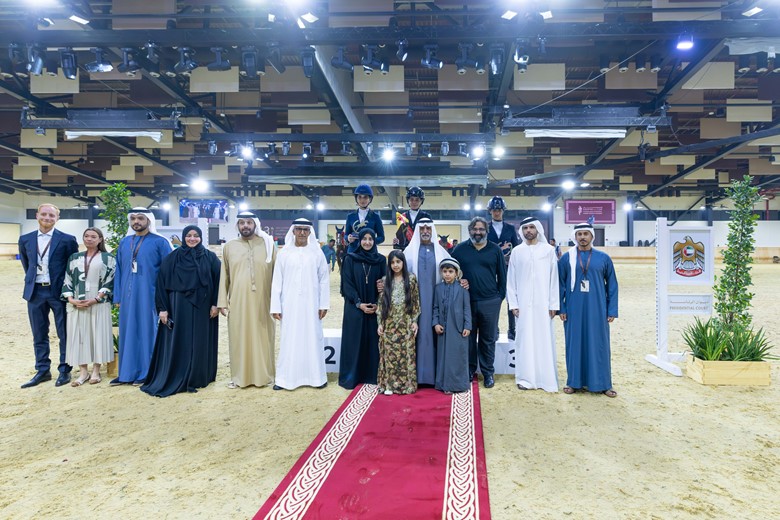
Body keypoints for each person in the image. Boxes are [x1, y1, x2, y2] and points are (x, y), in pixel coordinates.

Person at [141, 226, 221, 397]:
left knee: (200, 340)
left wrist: (216, 304)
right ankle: (178, 374)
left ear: (201, 238)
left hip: (203, 308)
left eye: (196, 236)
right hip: (178, 307)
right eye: (189, 236)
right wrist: (162, 309)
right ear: (184, 237)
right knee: (180, 340)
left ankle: (199, 376)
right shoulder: (172, 258)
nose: (192, 239)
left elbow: (219, 282)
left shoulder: (210, 258)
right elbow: (161, 284)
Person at [19, 203, 79, 388]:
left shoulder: (68, 240)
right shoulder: (25, 239)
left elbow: (73, 267)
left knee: (64, 333)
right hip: (35, 292)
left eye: (51, 215)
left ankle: (64, 369)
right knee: (39, 332)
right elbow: (26, 263)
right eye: (44, 214)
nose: (47, 218)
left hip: (58, 292)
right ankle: (43, 370)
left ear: (57, 218)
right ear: (37, 216)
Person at [112, 208, 172, 386]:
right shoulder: (124, 243)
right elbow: (119, 270)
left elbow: (167, 273)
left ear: (149, 220)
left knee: (147, 333)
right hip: (127, 297)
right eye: (133, 218)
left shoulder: (160, 243)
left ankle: (147, 372)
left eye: (140, 218)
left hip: (150, 296)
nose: (136, 221)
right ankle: (126, 373)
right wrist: (118, 297)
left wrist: (165, 300)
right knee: (127, 333)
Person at [558, 222, 619, 398]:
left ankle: (603, 383)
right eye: (579, 234)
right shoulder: (567, 259)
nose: (582, 237)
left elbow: (612, 285)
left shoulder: (603, 258)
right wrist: (561, 307)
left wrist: (611, 310)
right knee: (574, 344)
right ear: (575, 237)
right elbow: (559, 285)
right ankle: (574, 382)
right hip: (573, 309)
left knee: (599, 344)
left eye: (586, 234)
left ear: (592, 236)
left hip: (598, 308)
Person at [217, 211, 277, 389]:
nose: (245, 226)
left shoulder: (268, 245)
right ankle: (239, 377)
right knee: (239, 338)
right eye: (242, 223)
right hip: (238, 301)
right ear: (237, 225)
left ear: (255, 224)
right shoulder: (229, 246)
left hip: (263, 302)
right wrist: (222, 301)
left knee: (263, 338)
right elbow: (224, 275)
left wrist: (278, 302)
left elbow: (277, 276)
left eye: (249, 222)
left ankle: (264, 377)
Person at [271, 218, 330, 391]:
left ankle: (317, 378)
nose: (302, 233)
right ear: (293, 231)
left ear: (310, 232)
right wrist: (275, 306)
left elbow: (324, 280)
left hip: (312, 305)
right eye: (299, 229)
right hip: (288, 304)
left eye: (305, 229)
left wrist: (323, 304)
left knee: (313, 338)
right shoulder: (284, 253)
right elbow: (277, 282)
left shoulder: (317, 253)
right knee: (289, 339)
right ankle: (284, 380)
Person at [451, 216, 506, 389]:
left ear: (486, 231)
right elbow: (451, 271)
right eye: (475, 229)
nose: (478, 232)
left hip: (490, 301)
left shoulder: (495, 250)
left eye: (481, 229)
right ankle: (469, 370)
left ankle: (488, 372)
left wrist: (500, 297)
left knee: (488, 339)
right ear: (470, 230)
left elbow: (502, 276)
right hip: (466, 301)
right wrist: (459, 282)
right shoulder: (459, 250)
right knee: (468, 338)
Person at [507, 217, 560, 392]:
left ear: (538, 229)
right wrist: (513, 303)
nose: (528, 230)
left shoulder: (548, 250)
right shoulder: (517, 251)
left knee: (544, 339)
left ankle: (546, 380)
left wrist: (553, 304)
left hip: (544, 305)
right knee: (524, 341)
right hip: (522, 305)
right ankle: (525, 379)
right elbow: (511, 280)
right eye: (525, 228)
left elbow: (554, 279)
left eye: (531, 227)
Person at [61, 228, 116, 386]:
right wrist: (71, 299)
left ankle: (96, 371)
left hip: (98, 301)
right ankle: (83, 372)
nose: (89, 239)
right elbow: (67, 279)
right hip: (77, 302)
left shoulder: (108, 258)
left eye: (93, 236)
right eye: (86, 236)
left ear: (100, 239)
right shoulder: (74, 257)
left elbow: (110, 280)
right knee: (79, 336)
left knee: (97, 334)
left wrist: (97, 298)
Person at [404, 217, 451, 385]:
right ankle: (417, 375)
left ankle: (435, 375)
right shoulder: (408, 253)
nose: (425, 231)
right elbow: (397, 274)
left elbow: (454, 273)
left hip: (437, 302)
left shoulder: (441, 252)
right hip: (415, 303)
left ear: (432, 230)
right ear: (418, 230)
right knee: (419, 333)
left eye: (428, 228)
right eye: (422, 228)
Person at [338, 228, 387, 389]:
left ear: (374, 241)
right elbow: (347, 284)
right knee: (354, 341)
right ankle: (352, 376)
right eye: (364, 239)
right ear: (359, 241)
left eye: (370, 239)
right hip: (354, 307)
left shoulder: (380, 260)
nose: (367, 242)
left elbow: (384, 281)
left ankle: (371, 375)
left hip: (374, 307)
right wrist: (359, 303)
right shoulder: (350, 259)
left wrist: (382, 288)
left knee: (373, 341)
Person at [376, 250, 420, 395]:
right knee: (389, 356)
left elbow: (415, 303)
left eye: (398, 262)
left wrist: (415, 321)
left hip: (406, 324)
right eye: (392, 262)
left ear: (403, 263)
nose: (395, 265)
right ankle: (389, 385)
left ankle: (407, 385)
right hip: (389, 325)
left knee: (406, 355)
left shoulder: (412, 279)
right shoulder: (384, 280)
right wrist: (380, 324)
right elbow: (381, 305)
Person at [432, 258, 472, 394]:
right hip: (443, 329)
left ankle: (459, 384)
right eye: (444, 271)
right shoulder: (437, 289)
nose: (447, 274)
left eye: (450, 271)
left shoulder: (462, 289)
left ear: (457, 273)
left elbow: (467, 308)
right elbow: (435, 308)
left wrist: (468, 326)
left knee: (458, 356)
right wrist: (435, 323)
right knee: (444, 357)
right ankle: (444, 384)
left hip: (458, 328)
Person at [486, 196, 520, 341]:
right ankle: (495, 329)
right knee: (494, 300)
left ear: (503, 211)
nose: (497, 213)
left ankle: (512, 329)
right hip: (490, 267)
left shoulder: (511, 228)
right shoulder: (485, 227)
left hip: (507, 266)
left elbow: (516, 247)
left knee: (511, 298)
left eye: (499, 210)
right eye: (494, 210)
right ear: (490, 211)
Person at [345, 184, 384, 253]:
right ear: (356, 198)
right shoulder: (350, 216)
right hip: (353, 251)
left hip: (370, 252)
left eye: (365, 197)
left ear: (370, 199)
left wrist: (371, 241)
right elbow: (346, 234)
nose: (362, 200)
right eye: (359, 197)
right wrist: (348, 238)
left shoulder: (375, 217)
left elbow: (381, 237)